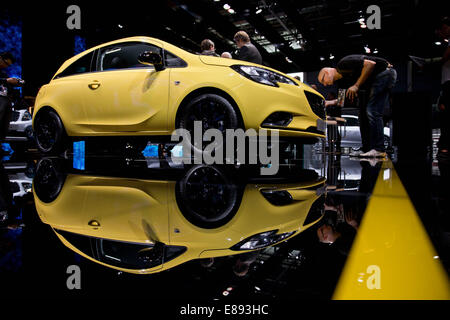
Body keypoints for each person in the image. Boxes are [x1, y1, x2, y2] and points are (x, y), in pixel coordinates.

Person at [318, 54, 397, 158]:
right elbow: (342, 100)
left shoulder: (343, 64)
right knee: (363, 115)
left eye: (323, 80)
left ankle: (379, 149)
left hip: (384, 73)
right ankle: (367, 149)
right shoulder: (342, 81)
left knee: (372, 111)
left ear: (327, 72)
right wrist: (329, 102)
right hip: (372, 82)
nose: (324, 84)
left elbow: (370, 64)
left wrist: (356, 85)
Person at [0, 52, 23, 141]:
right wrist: (7, 80)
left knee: (4, 124)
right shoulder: (4, 77)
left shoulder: (3, 73)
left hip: (6, 100)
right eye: (5, 63)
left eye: (8, 65)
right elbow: (4, 81)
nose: (5, 66)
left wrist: (16, 83)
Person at [436, 17, 450, 155]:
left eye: (443, 29)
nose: (442, 33)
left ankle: (445, 144)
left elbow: (444, 58)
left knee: (445, 113)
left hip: (449, 83)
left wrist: (429, 63)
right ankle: (444, 143)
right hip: (446, 83)